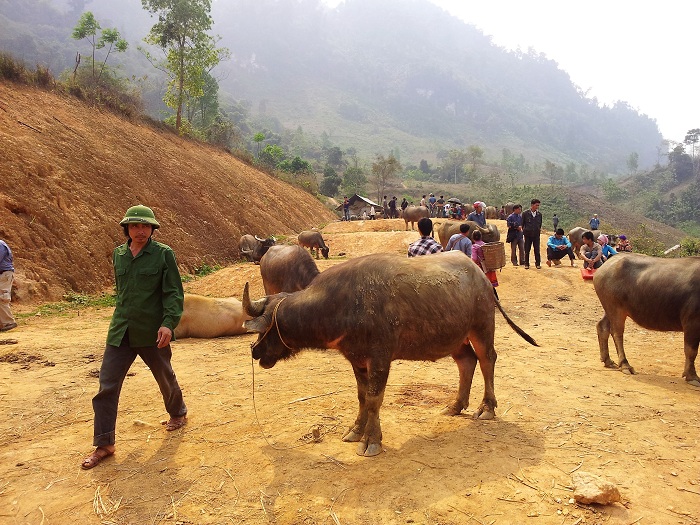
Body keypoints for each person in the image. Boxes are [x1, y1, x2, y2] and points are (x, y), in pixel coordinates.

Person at [81, 205, 187, 470]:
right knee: (106, 385)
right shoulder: (118, 255)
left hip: (152, 331)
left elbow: (173, 292)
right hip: (121, 330)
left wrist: (168, 324)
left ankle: (178, 412)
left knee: (164, 375)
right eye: (135, 226)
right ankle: (104, 443)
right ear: (126, 229)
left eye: (145, 226)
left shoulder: (163, 255)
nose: (140, 231)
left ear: (152, 229)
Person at [471, 230, 499, 300]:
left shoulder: (474, 247)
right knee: (490, 284)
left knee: (481, 284)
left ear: (473, 238)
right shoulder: (485, 244)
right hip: (489, 266)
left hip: (481, 267)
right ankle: (496, 299)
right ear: (481, 237)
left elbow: (474, 258)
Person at [0, 239, 17, 332]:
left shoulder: (0, 245)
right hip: (3, 274)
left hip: (4, 274)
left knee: (2, 297)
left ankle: (8, 322)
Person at [522, 198, 543, 269]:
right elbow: (522, 224)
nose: (537, 207)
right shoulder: (525, 213)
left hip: (536, 235)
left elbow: (540, 224)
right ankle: (526, 264)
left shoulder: (539, 214)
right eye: (536, 205)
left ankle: (538, 263)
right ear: (532, 205)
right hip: (528, 235)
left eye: (538, 205)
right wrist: (524, 233)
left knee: (537, 249)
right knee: (527, 249)